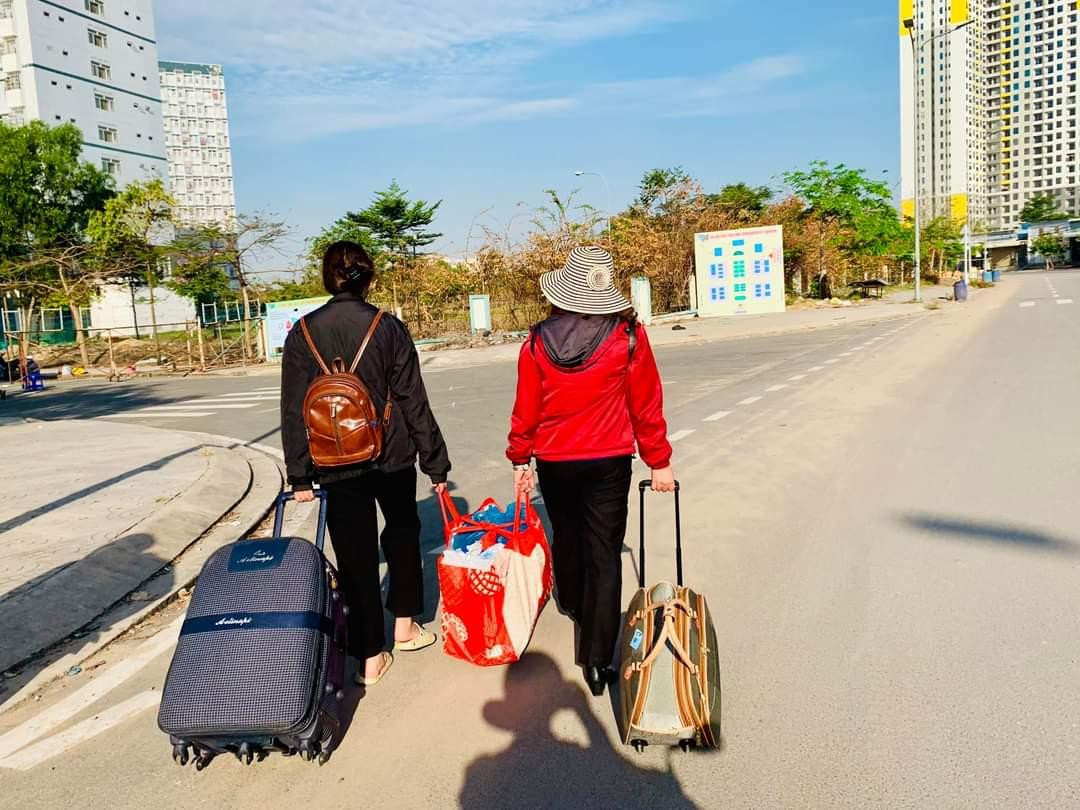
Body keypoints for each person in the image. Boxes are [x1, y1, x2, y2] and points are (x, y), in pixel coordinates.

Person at [506, 245, 675, 697]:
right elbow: (646, 404)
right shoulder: (628, 337)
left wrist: (520, 457)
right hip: (608, 461)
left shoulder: (537, 341)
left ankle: (575, 604)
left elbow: (526, 408)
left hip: (554, 461)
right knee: (604, 550)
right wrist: (659, 461)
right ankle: (598, 660)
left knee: (567, 533)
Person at [281, 240, 451, 686]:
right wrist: (435, 463)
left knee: (354, 555)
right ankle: (405, 627)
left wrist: (299, 475)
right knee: (402, 533)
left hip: (334, 458)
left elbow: (294, 409)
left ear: (327, 279)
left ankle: (371, 657)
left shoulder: (302, 333)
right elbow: (413, 399)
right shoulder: (387, 327)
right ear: (368, 278)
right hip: (391, 453)